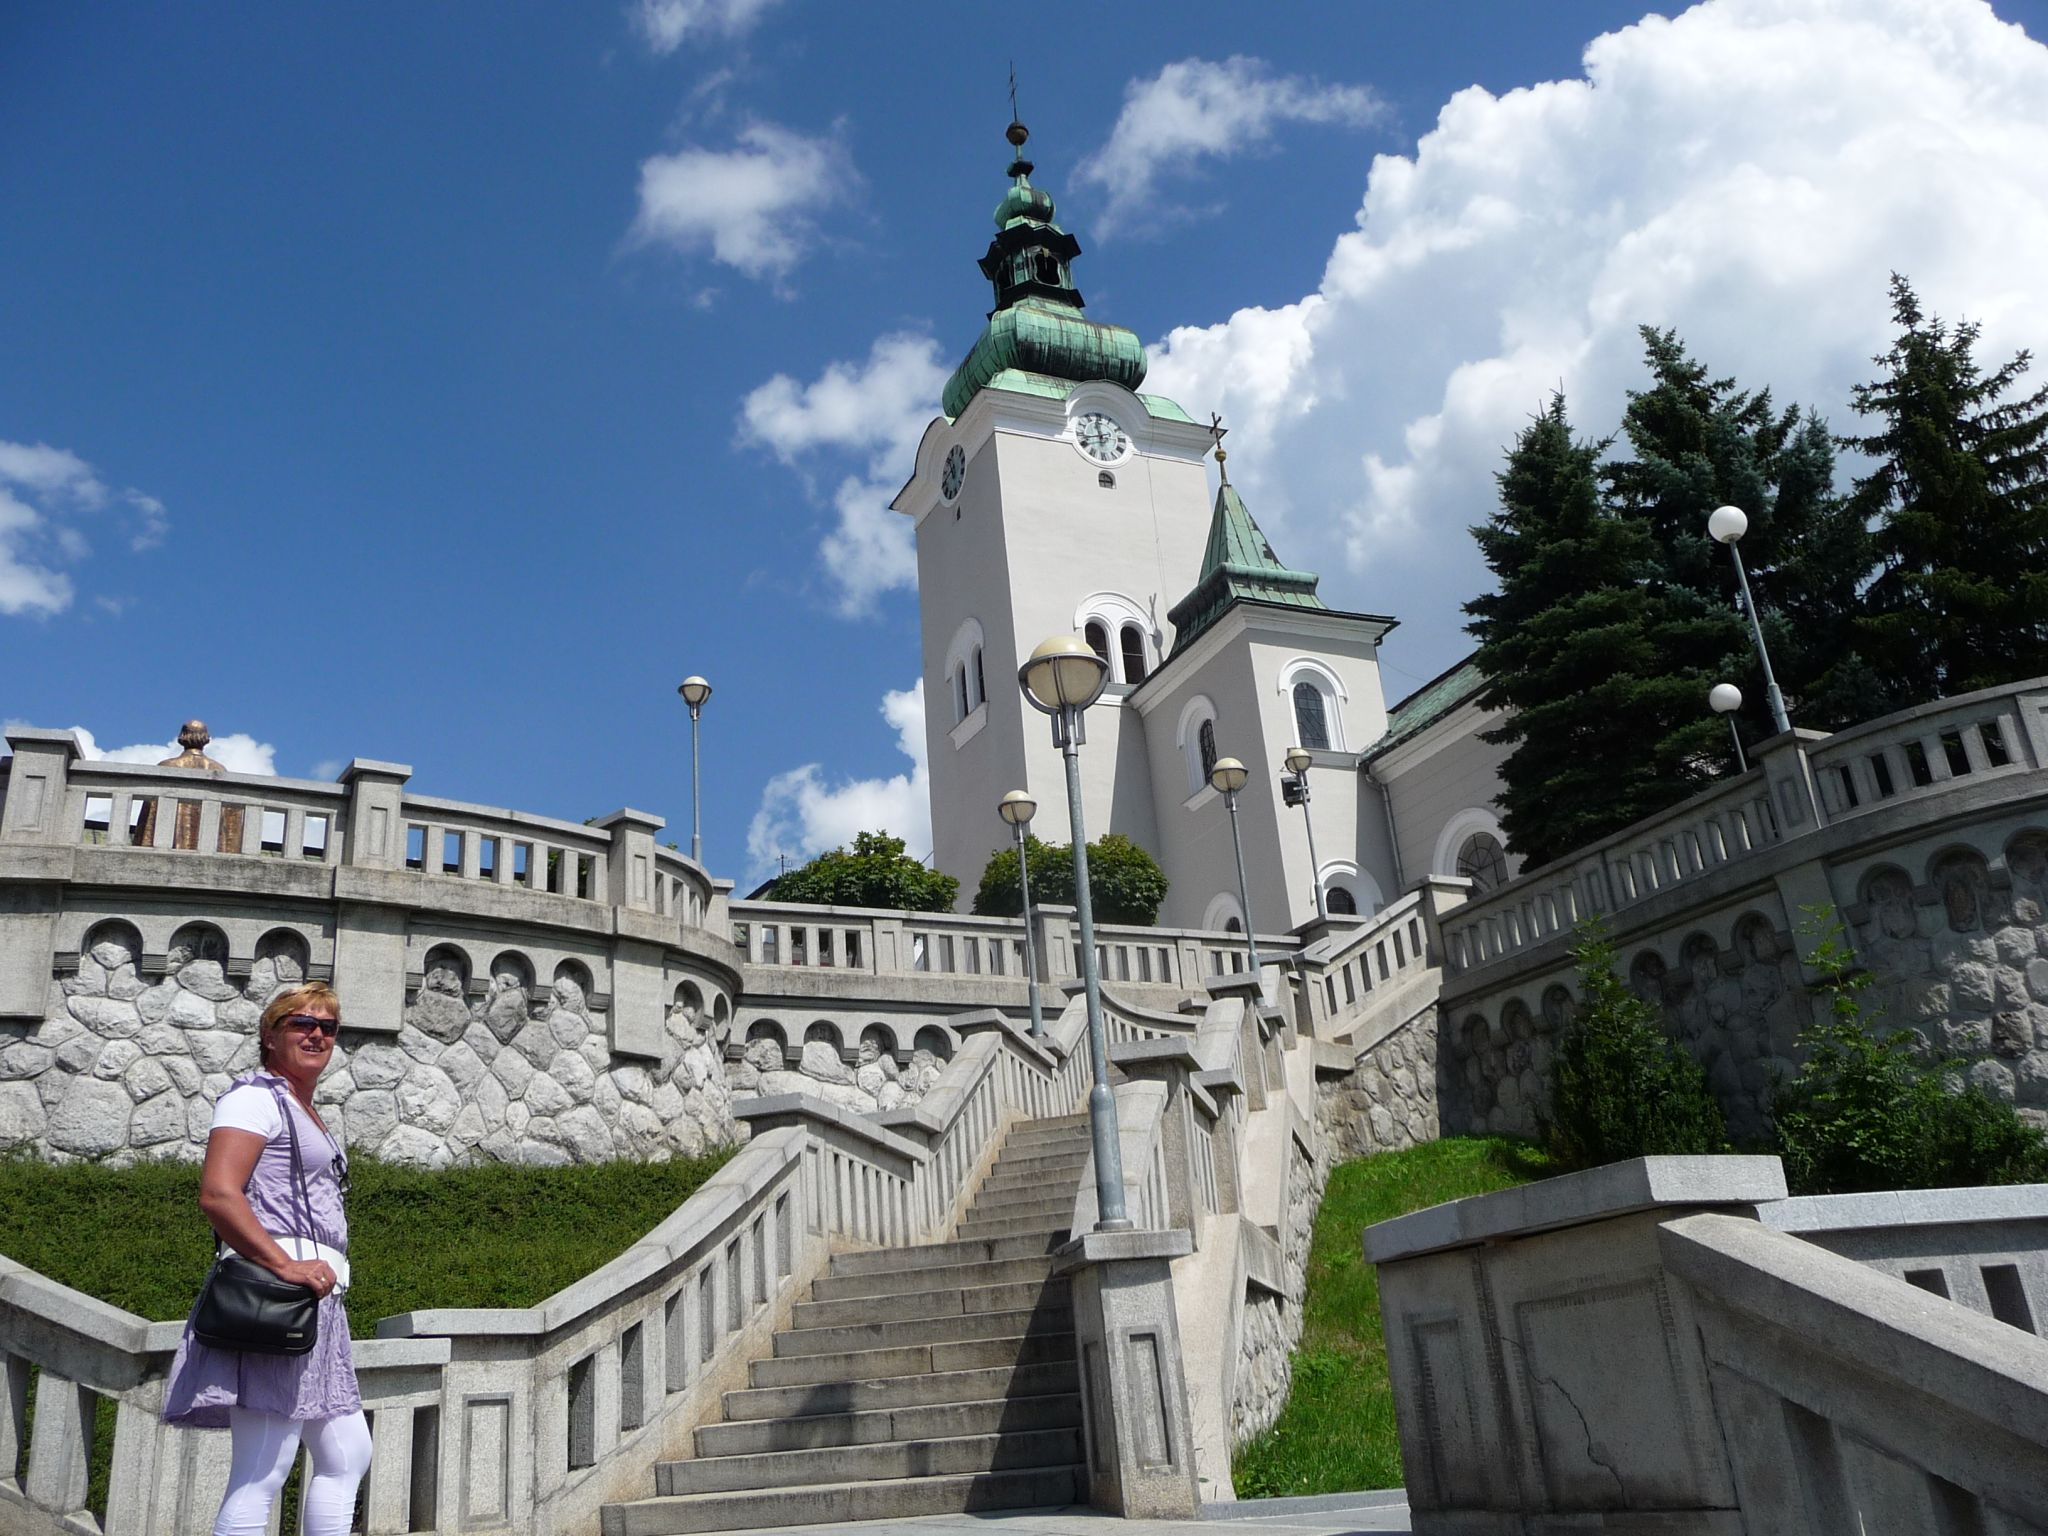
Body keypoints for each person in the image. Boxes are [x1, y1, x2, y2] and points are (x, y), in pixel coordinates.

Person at [162, 981, 370, 1536]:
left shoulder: (301, 1107)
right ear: (270, 1035)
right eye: (302, 1023)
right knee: (262, 1468)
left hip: (315, 1302)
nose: (317, 1034)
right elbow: (218, 1194)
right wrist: (284, 1265)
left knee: (348, 1453)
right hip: (276, 1300)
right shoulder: (254, 1097)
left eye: (328, 1027)